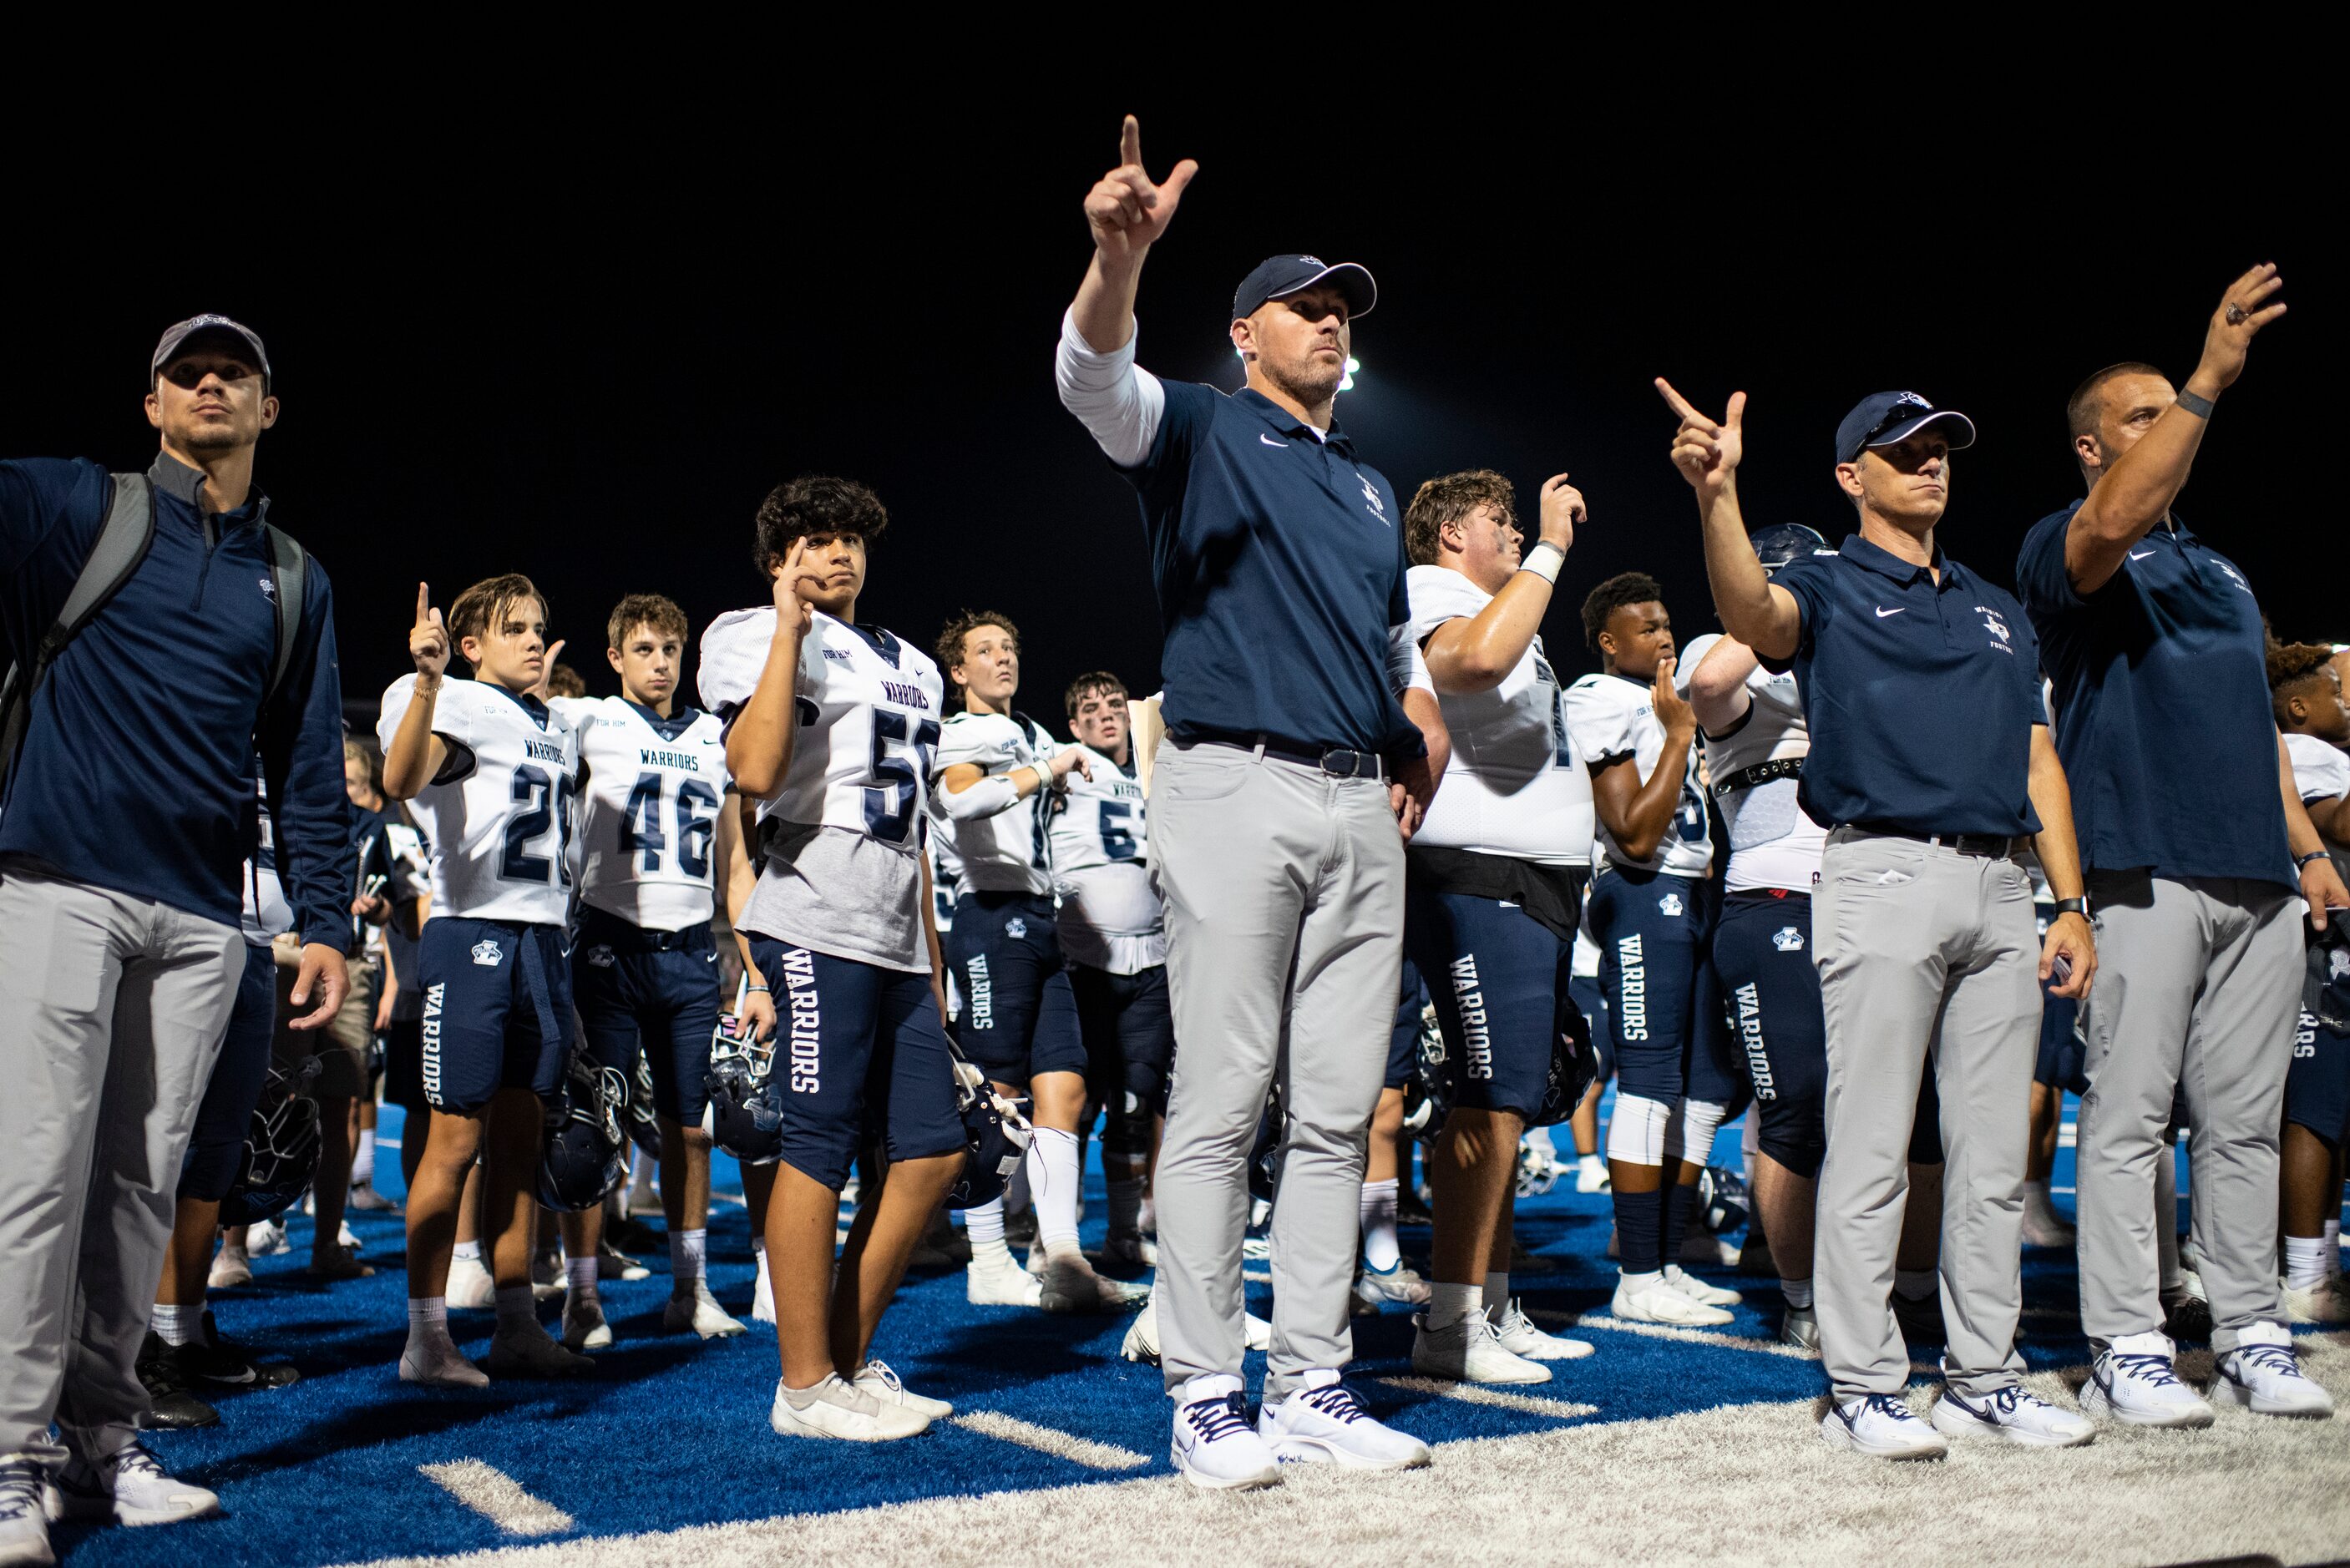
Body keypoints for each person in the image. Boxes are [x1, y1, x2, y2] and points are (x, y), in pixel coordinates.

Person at [1056, 115, 1444, 1488]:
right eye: (1306, 305)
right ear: (1243, 332)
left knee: (1340, 1108)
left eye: (1343, 308)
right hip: (1229, 780)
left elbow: (1399, 662)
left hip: (1354, 805)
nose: (1332, 323)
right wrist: (1115, 261)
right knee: (1221, 1097)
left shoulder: (1363, 479)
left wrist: (1417, 742)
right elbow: (1093, 379)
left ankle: (1313, 1381)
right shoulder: (1204, 424)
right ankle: (1206, 1387)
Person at [1659, 377, 2098, 1458]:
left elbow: (2036, 756)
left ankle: (1983, 1375)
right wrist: (1717, 495)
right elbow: (1749, 618)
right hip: (1879, 867)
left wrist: (2070, 899)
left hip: (2001, 881)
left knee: (1987, 1153)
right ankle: (1863, 1381)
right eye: (1903, 449)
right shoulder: (1825, 583)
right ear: (1852, 475)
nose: (1930, 461)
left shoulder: (1995, 606)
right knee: (1868, 1143)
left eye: (1942, 444)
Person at [1, 314, 351, 1552]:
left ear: (268, 409)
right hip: (58, 883)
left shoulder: (293, 574)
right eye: (187, 374)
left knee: (139, 1192)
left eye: (235, 373)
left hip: (205, 914)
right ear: (151, 404)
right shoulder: (71, 510)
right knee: (35, 1178)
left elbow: (308, 762)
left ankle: (100, 1444)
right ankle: (7, 1452)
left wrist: (325, 921)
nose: (211, 386)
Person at [2016, 267, 2342, 1426]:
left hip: (2256, 872)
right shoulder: (2069, 539)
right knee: (2129, 1117)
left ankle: (2250, 1325)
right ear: (2091, 447)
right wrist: (2204, 378)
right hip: (2139, 862)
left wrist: (2306, 848)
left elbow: (2248, 719)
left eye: (2177, 409)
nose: (2174, 428)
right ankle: (2127, 1338)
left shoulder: (2219, 564)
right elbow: (2111, 523)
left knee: (2245, 1119)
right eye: (2142, 417)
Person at [700, 474, 965, 1442]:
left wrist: (931, 964)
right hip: (812, 915)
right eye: (813, 540)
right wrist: (785, 631)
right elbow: (756, 772)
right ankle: (804, 1386)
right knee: (817, 1142)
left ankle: (843, 1360)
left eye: (851, 536)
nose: (837, 552)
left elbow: (923, 830)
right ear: (779, 561)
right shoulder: (747, 632)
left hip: (894, 925)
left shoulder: (914, 665)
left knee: (934, 1148)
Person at [1398, 468, 1600, 1382]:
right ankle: (1448, 1323)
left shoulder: (1504, 605)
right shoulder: (1433, 594)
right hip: (1482, 879)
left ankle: (1494, 1298)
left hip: (1534, 882)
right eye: (1498, 518)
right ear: (1448, 535)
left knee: (1516, 1098)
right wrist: (1554, 547)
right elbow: (1468, 666)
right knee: (1488, 1096)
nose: (1516, 530)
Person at [379, 574, 591, 1387]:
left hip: (543, 946)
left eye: (540, 627)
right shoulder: (453, 698)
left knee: (520, 1142)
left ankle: (514, 1324)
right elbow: (402, 780)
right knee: (454, 1138)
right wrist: (431, 679)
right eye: (515, 630)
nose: (535, 641)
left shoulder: (553, 722)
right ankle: (425, 1338)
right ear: (471, 646)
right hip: (471, 936)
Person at [548, 594, 751, 1349]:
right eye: (643, 649)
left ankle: (689, 1292)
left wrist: (753, 969)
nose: (659, 663)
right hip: (608, 944)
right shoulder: (589, 720)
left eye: (670, 649)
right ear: (614, 658)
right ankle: (583, 1297)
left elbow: (736, 864)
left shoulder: (712, 735)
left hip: (693, 951)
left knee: (690, 1133)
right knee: (593, 1128)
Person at [931, 611, 1133, 1313]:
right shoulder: (966, 732)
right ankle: (988, 1258)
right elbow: (962, 799)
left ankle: (1065, 1258)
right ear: (958, 671)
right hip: (989, 918)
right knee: (997, 1099)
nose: (1003, 658)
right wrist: (1044, 770)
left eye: (1010, 646)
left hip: (1040, 922)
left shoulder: (1031, 733)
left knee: (1065, 1091)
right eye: (984, 650)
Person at [1565, 574, 1745, 1328]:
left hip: (1693, 896)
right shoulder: (1598, 696)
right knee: (1646, 1079)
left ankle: (1668, 1261)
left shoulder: (1670, 703)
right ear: (1609, 643)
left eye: (1668, 622)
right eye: (1646, 627)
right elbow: (1636, 837)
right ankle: (1636, 1276)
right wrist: (1675, 736)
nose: (1665, 636)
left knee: (1702, 1085)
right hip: (1642, 892)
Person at [1049, 671, 1170, 1272]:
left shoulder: (1155, 771)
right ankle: (1057, 1236)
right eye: (1089, 707)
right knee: (1073, 1102)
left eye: (1114, 704)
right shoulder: (1059, 766)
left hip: (1152, 960)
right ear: (1073, 725)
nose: (1105, 714)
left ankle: (1122, 1233)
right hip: (1082, 963)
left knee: (1132, 1101)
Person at [2271, 638, 2350, 1323]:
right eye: (2334, 688)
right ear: (2299, 707)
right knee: (2313, 1110)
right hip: (2310, 950)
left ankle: (2317, 1263)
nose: (2343, 699)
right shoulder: (2305, 754)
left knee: (2328, 1107)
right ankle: (2302, 1273)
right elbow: (2338, 823)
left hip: (2323, 946)